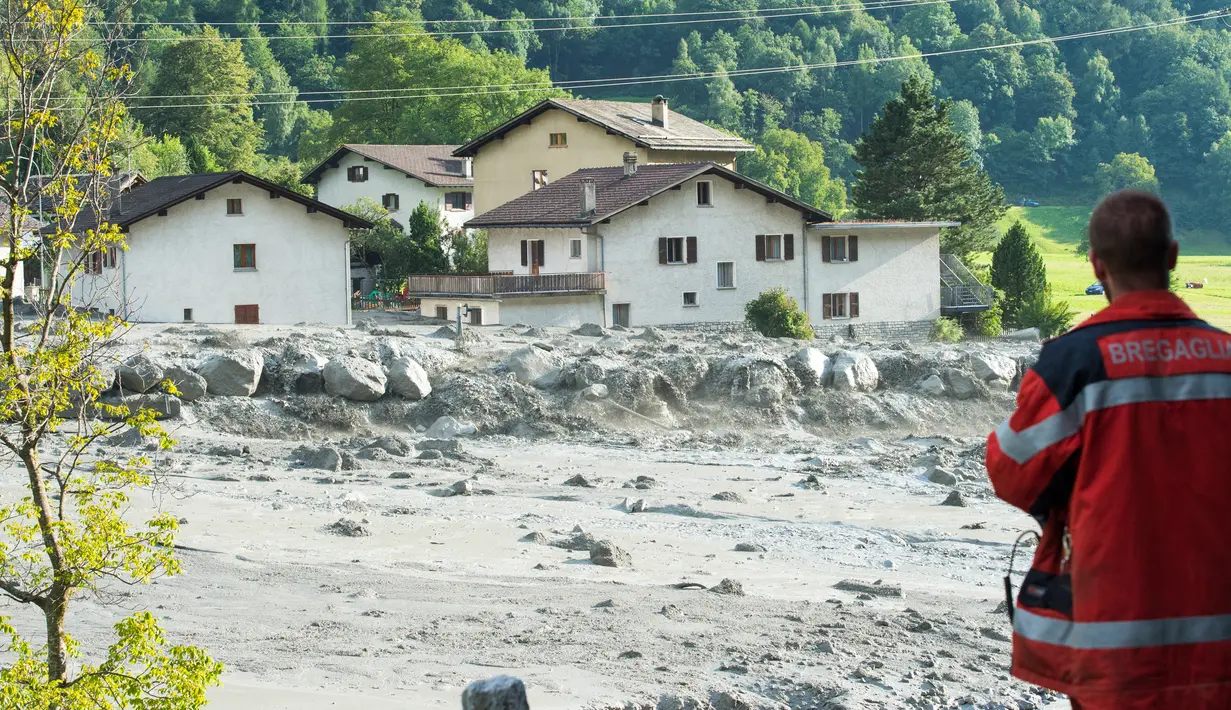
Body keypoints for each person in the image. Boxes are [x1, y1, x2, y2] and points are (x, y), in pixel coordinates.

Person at [985, 190, 1231, 710]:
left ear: (1097, 264)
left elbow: (1011, 471)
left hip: (1114, 645)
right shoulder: (1224, 360)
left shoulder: (1072, 364)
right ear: (1173, 257)